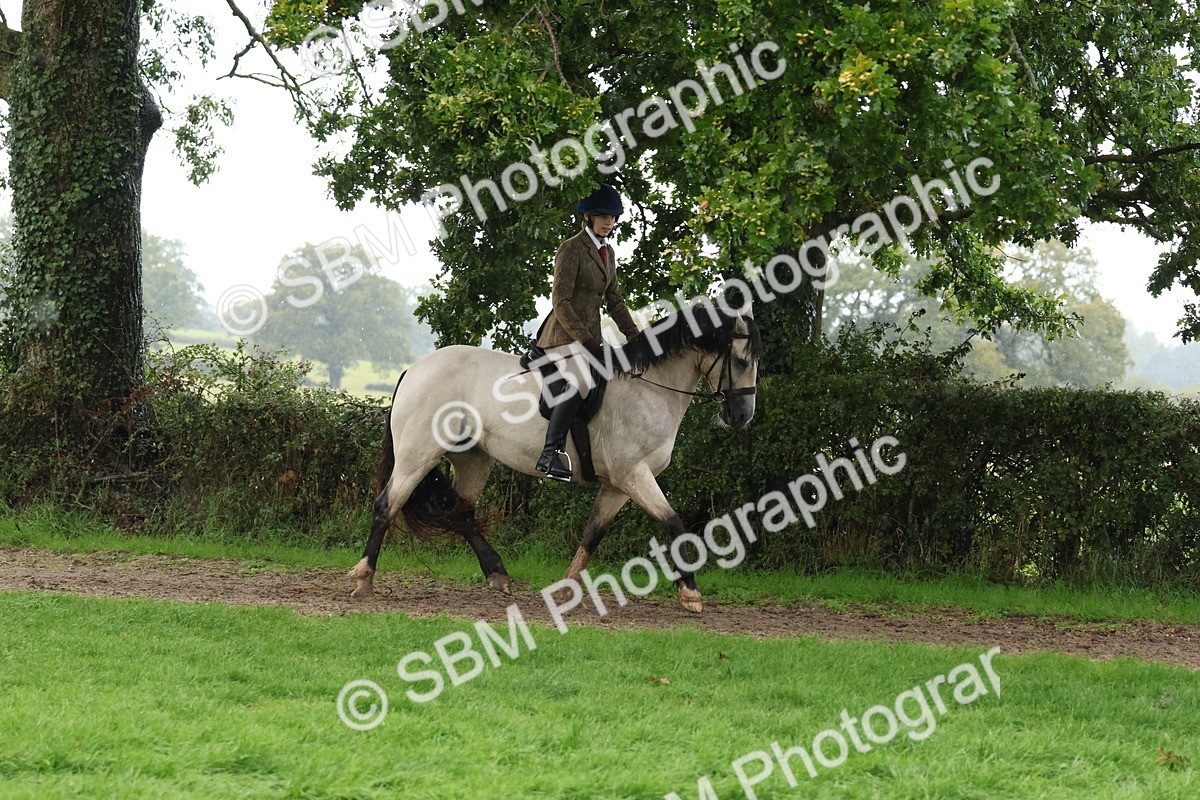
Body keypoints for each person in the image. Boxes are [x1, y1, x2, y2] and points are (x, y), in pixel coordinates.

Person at [534, 183, 641, 481]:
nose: (608, 221)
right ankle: (550, 453)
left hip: (590, 337)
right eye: (602, 216)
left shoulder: (609, 252)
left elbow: (615, 299)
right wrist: (586, 340)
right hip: (563, 334)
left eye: (612, 216)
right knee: (580, 378)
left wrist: (636, 338)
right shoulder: (571, 248)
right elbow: (561, 301)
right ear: (588, 217)